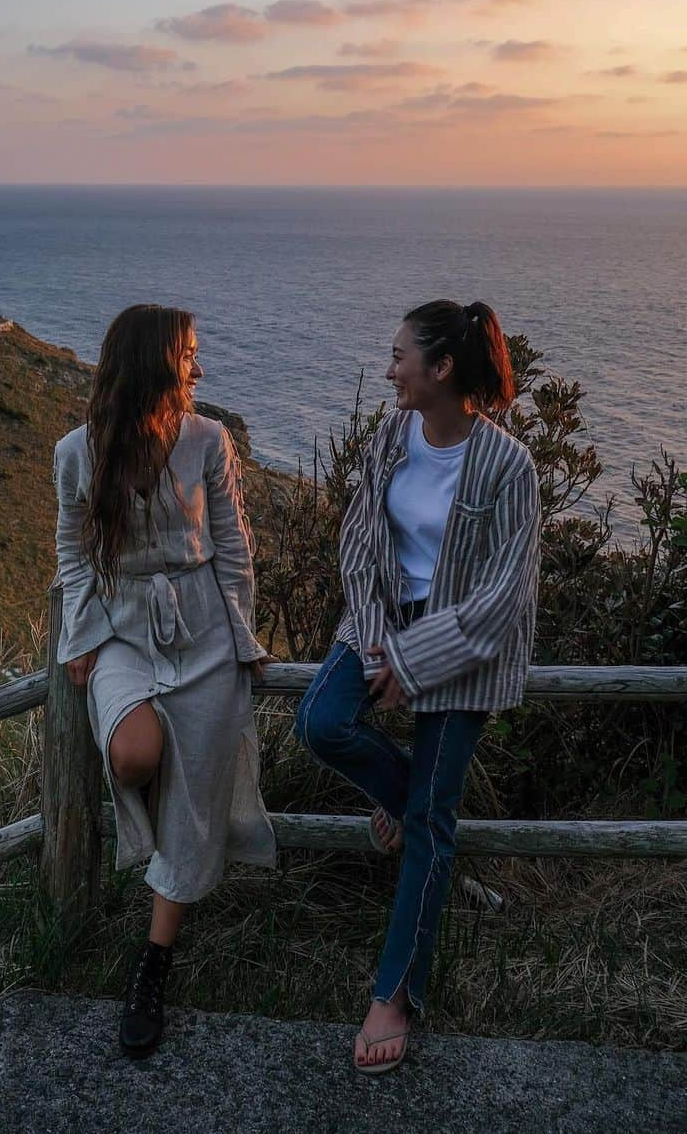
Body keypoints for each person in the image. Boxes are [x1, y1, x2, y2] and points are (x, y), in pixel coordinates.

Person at [295, 300, 540, 1075]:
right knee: (319, 721)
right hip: (378, 625)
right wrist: (377, 647)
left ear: (441, 370)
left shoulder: (508, 466)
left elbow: (504, 598)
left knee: (432, 821)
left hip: (461, 653)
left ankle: (394, 994)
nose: (390, 366)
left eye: (401, 355)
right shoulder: (391, 434)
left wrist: (414, 658)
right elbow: (360, 536)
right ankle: (404, 801)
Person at [53, 304, 276, 1058]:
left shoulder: (208, 439)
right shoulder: (77, 454)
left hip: (206, 631)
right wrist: (80, 634)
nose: (199, 369)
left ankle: (154, 959)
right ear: (154, 362)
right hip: (122, 631)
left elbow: (233, 546)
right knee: (135, 755)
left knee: (192, 798)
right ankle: (158, 861)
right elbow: (73, 549)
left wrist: (243, 634)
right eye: (189, 355)